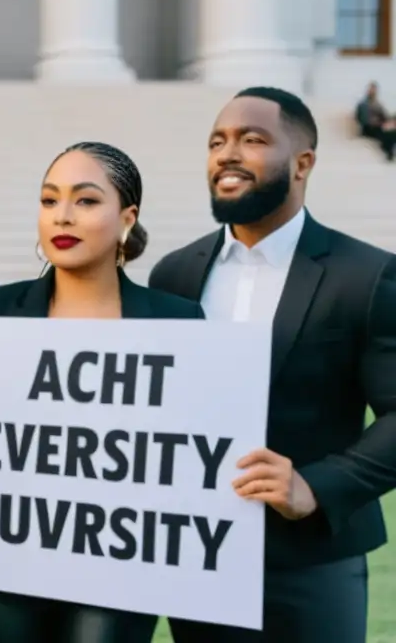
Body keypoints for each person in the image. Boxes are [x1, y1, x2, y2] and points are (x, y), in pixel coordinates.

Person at [0, 141, 203, 643]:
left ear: (127, 217)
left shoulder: (178, 321)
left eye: (85, 201)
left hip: (122, 563)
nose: (62, 216)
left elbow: (191, 454)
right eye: (49, 200)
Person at [149, 86, 396, 642]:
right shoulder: (173, 274)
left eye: (252, 139)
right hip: (196, 561)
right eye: (217, 141)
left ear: (303, 162)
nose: (227, 153)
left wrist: (315, 485)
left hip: (312, 564)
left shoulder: (367, 275)